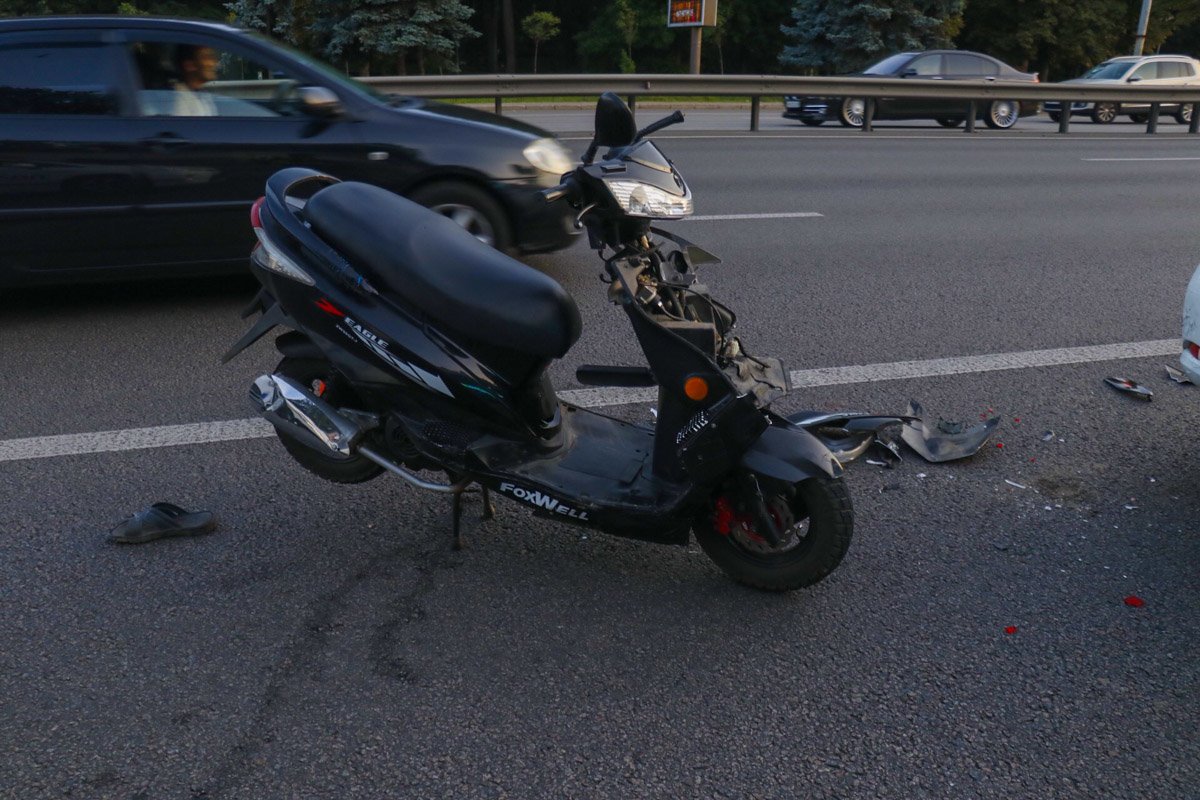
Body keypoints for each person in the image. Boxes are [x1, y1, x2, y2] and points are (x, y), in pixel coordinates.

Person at [170, 44, 219, 116]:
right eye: (206, 57)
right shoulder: (179, 101)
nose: (213, 63)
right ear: (189, 65)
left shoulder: (203, 95)